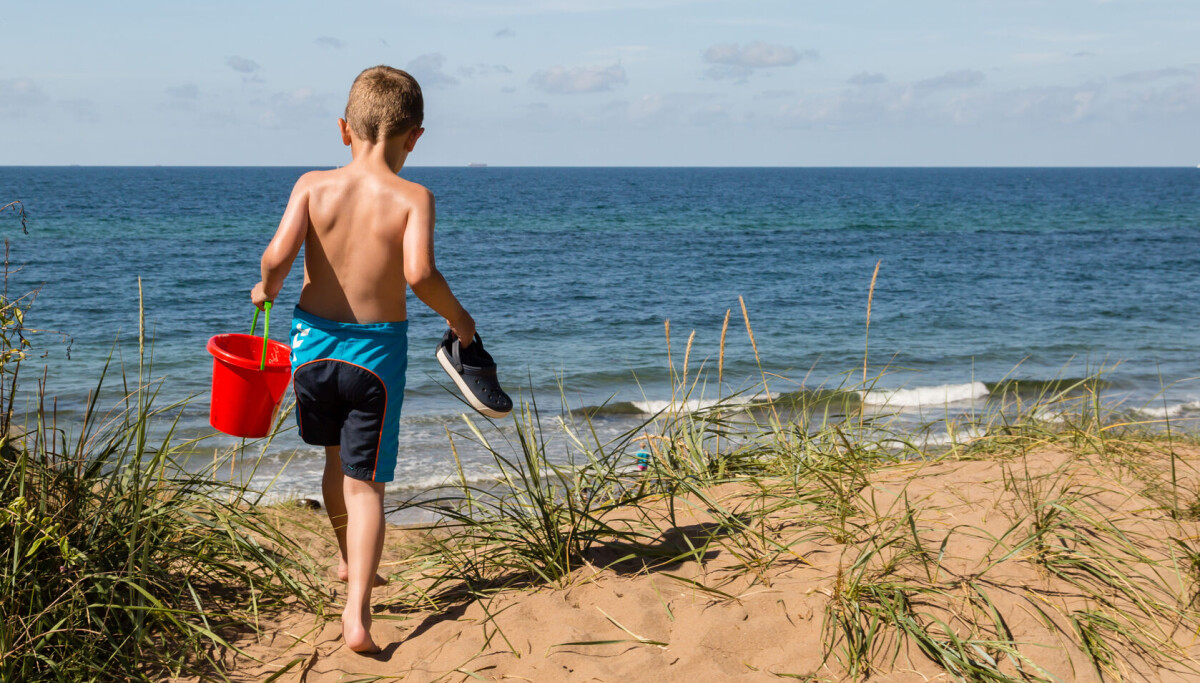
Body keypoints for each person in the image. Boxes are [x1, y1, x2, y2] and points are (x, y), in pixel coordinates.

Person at [250, 65, 475, 654]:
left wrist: (265, 290)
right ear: (415, 136)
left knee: (333, 461)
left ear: (344, 129)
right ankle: (357, 617)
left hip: (310, 353)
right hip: (374, 356)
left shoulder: (311, 185)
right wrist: (460, 320)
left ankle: (353, 563)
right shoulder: (414, 197)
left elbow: (277, 256)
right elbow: (419, 273)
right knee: (367, 483)